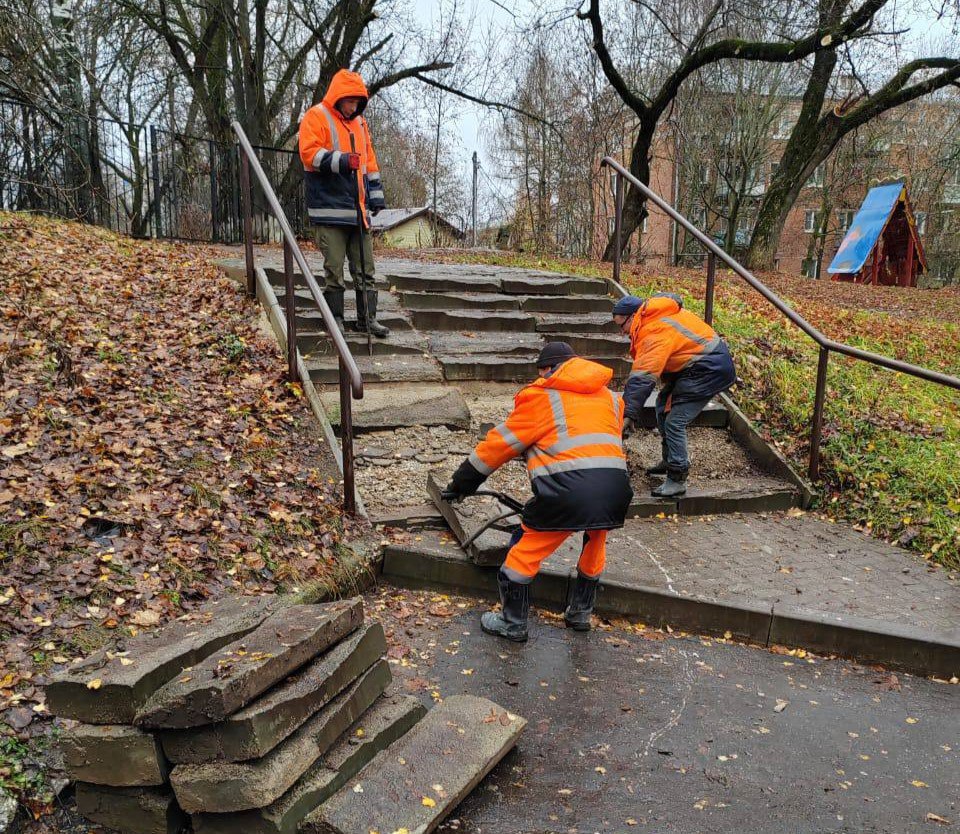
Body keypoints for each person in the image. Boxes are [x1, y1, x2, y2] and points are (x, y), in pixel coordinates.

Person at [441, 341, 633, 642]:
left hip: (568, 494)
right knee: (596, 538)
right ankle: (580, 613)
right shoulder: (611, 398)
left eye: (541, 372)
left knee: (525, 548)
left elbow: (496, 448)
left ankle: (512, 622)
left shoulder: (542, 398)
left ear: (549, 369)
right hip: (616, 489)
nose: (539, 378)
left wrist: (460, 485)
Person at [613, 293, 736, 498]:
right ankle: (669, 460)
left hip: (709, 368)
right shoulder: (653, 320)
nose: (622, 332)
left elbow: (643, 376)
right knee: (662, 404)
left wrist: (629, 414)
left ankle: (677, 478)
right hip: (697, 366)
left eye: (621, 325)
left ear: (633, 316)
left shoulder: (654, 329)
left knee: (675, 421)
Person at [298, 69, 389, 338]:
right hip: (329, 210)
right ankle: (335, 318)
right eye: (349, 100)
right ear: (338, 97)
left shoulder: (360, 124)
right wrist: (341, 160)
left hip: (357, 211)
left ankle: (367, 319)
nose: (353, 106)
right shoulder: (317, 116)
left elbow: (369, 162)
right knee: (334, 269)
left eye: (357, 101)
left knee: (365, 269)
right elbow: (309, 153)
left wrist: (375, 195)